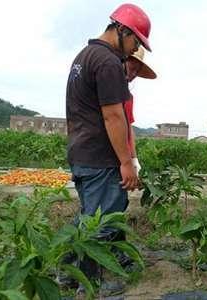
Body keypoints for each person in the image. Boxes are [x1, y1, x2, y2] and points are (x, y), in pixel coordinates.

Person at [65, 3, 152, 281]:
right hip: (99, 157)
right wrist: (126, 162)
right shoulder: (108, 62)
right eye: (135, 41)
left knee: (90, 218)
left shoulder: (84, 56)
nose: (133, 48)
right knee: (98, 225)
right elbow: (114, 117)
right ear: (122, 30)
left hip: (82, 153)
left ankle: (65, 273)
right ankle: (87, 284)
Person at [123, 46, 157, 176]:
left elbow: (128, 128)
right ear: (123, 60)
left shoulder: (129, 97)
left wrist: (134, 158)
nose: (133, 74)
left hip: (122, 159)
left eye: (137, 72)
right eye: (132, 68)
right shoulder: (107, 87)